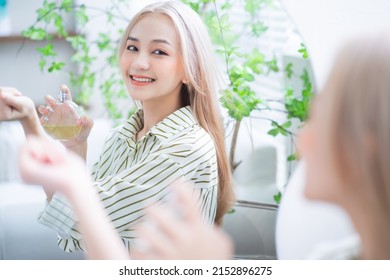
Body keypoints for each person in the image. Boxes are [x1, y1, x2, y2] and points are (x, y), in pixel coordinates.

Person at [3, 0, 235, 253]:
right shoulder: (123, 137)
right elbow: (78, 237)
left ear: (189, 70)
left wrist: (30, 122)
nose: (139, 63)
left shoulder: (188, 148)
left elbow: (80, 216)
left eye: (159, 52)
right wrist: (75, 146)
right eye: (132, 47)